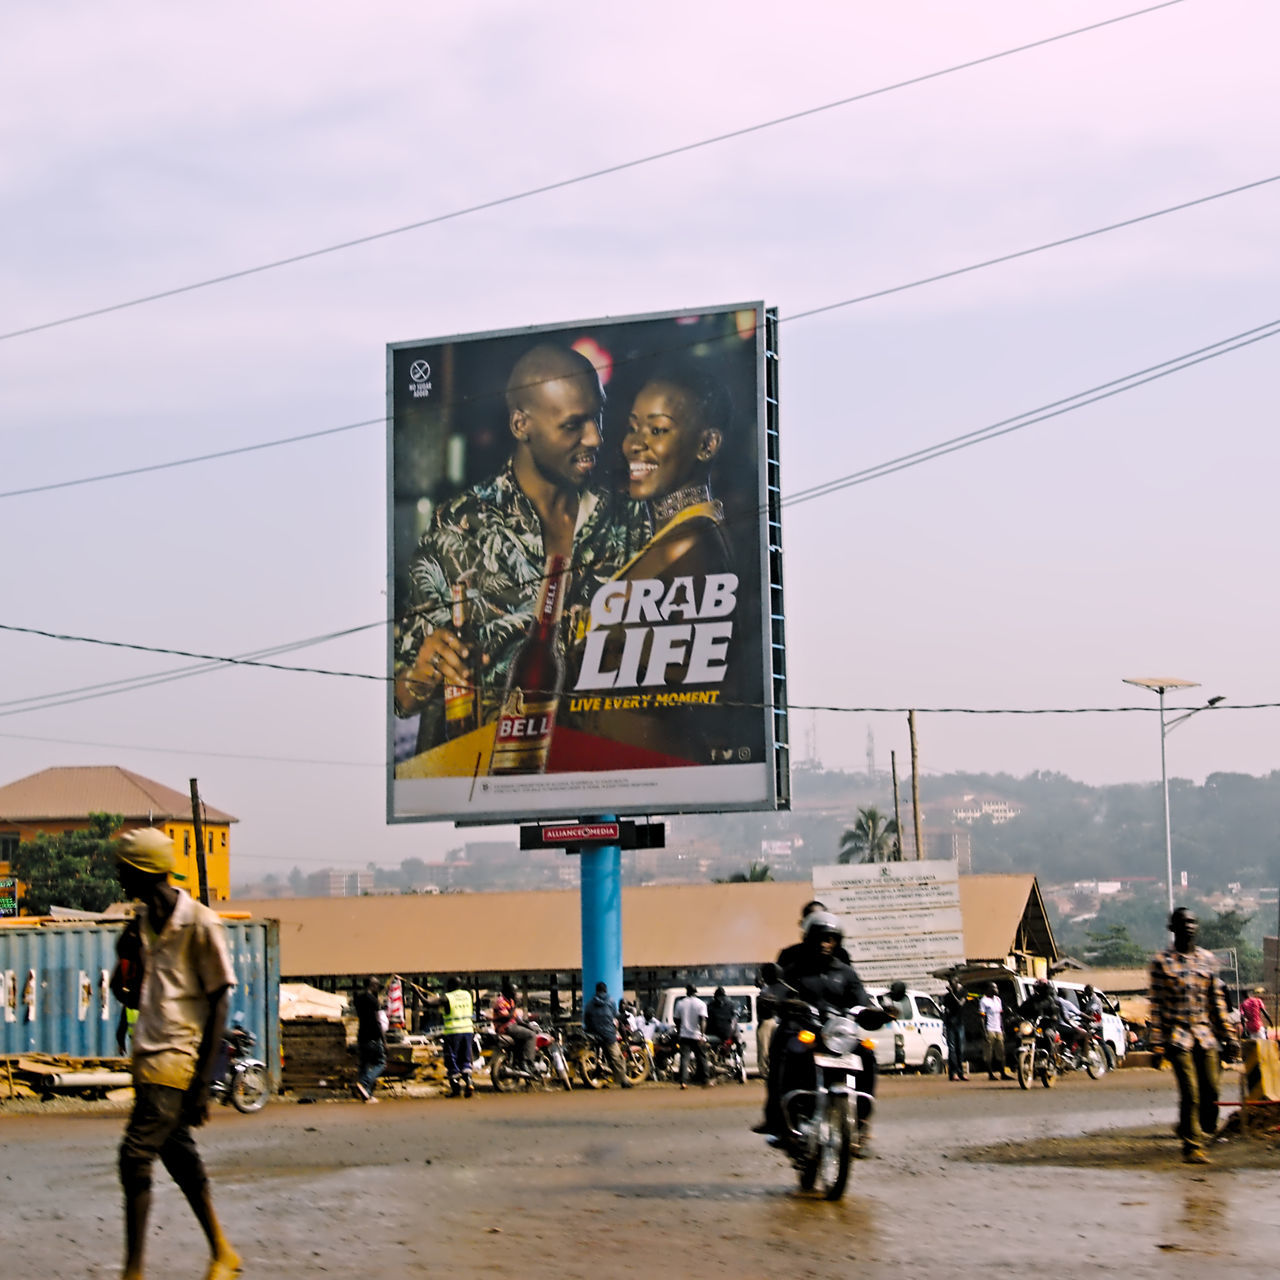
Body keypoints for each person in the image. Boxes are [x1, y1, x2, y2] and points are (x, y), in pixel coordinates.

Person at [394, 344, 641, 756]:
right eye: (572, 425)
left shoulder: (629, 518)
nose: (596, 436)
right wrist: (424, 672)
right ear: (521, 425)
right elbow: (401, 698)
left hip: (603, 770)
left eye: (597, 415)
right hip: (484, 777)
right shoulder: (458, 529)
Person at [110, 827, 240, 1280]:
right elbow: (129, 993)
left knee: (134, 1155)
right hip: (149, 1056)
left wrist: (204, 1083)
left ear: (144, 873)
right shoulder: (140, 925)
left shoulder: (201, 922)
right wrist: (123, 964)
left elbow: (221, 998)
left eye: (123, 871)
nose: (119, 880)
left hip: (178, 1057)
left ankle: (133, 1271)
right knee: (179, 1156)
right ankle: (223, 1251)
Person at [755, 912, 875, 1143]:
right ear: (808, 938)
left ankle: (862, 1121)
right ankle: (780, 1117)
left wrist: (873, 1012)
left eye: (830, 938)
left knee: (867, 1052)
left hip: (836, 1032)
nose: (824, 943)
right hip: (804, 1029)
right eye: (820, 938)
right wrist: (773, 998)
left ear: (837, 941)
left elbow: (861, 998)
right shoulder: (794, 967)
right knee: (785, 1050)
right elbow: (778, 989)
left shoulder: (846, 972)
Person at [1149, 908, 1239, 1164]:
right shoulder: (1161, 962)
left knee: (1211, 1090)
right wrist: (1157, 1046)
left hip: (1205, 1034)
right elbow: (1156, 1007)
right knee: (1191, 1092)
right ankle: (1192, 1147)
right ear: (1172, 928)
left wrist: (1229, 1036)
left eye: (1192, 922)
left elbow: (1217, 1003)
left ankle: (1197, 1126)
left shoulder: (1207, 960)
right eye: (1182, 922)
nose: (1188, 926)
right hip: (1177, 1038)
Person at [425, 977, 475, 1098]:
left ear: (450, 986)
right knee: (465, 1059)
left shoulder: (447, 997)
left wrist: (416, 992)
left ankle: (456, 1089)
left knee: (451, 1059)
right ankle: (469, 1082)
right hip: (468, 1031)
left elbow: (428, 1003)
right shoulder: (468, 995)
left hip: (453, 1032)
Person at [583, 981, 632, 1088]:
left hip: (592, 1034)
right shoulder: (611, 1001)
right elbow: (615, 1015)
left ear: (596, 991)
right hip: (608, 1034)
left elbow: (586, 1020)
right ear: (605, 990)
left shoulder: (589, 1004)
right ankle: (623, 1081)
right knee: (617, 1058)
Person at [353, 977, 386, 1102]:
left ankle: (366, 1094)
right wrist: (384, 1041)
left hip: (362, 1036)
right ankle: (364, 1083)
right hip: (373, 1037)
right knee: (381, 1062)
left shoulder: (358, 1000)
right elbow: (378, 1022)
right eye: (377, 985)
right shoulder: (373, 1001)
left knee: (364, 1065)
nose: (378, 987)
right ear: (372, 985)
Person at [491, 982, 536, 1072]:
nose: (516, 993)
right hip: (505, 1027)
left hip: (512, 1025)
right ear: (507, 992)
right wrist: (514, 1007)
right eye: (514, 991)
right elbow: (506, 1017)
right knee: (531, 1035)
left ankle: (519, 1061)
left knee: (529, 1032)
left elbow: (516, 1019)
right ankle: (528, 1062)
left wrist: (529, 1026)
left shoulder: (510, 1001)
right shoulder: (501, 1001)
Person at [672, 984, 708, 1090]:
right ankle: (705, 1079)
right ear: (695, 992)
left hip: (684, 1035)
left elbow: (676, 1020)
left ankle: (683, 1081)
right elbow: (703, 1020)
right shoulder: (701, 1004)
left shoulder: (680, 1003)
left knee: (684, 1059)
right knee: (701, 1057)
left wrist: (679, 1032)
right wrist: (702, 1035)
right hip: (696, 1035)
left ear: (687, 992)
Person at [755, 963, 786, 1080]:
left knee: (764, 1050)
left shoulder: (766, 990)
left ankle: (765, 1073)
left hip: (767, 1021)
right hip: (777, 1021)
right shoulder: (784, 988)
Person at [978, 982, 1010, 1080]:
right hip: (989, 1029)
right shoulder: (983, 1001)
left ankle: (1003, 1073)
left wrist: (1002, 1029)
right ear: (989, 989)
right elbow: (981, 1018)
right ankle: (990, 1074)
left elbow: (1000, 1016)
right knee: (989, 1054)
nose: (996, 990)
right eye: (994, 988)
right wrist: (984, 1032)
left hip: (998, 1029)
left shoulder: (998, 1000)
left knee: (1001, 1052)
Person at [941, 976, 969, 1081]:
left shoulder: (963, 993)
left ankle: (960, 1072)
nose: (950, 984)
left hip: (960, 1024)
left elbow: (960, 1004)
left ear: (957, 983)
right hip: (950, 1024)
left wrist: (952, 993)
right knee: (952, 1049)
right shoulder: (947, 997)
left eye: (952, 982)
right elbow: (944, 1009)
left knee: (960, 1050)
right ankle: (953, 1073)